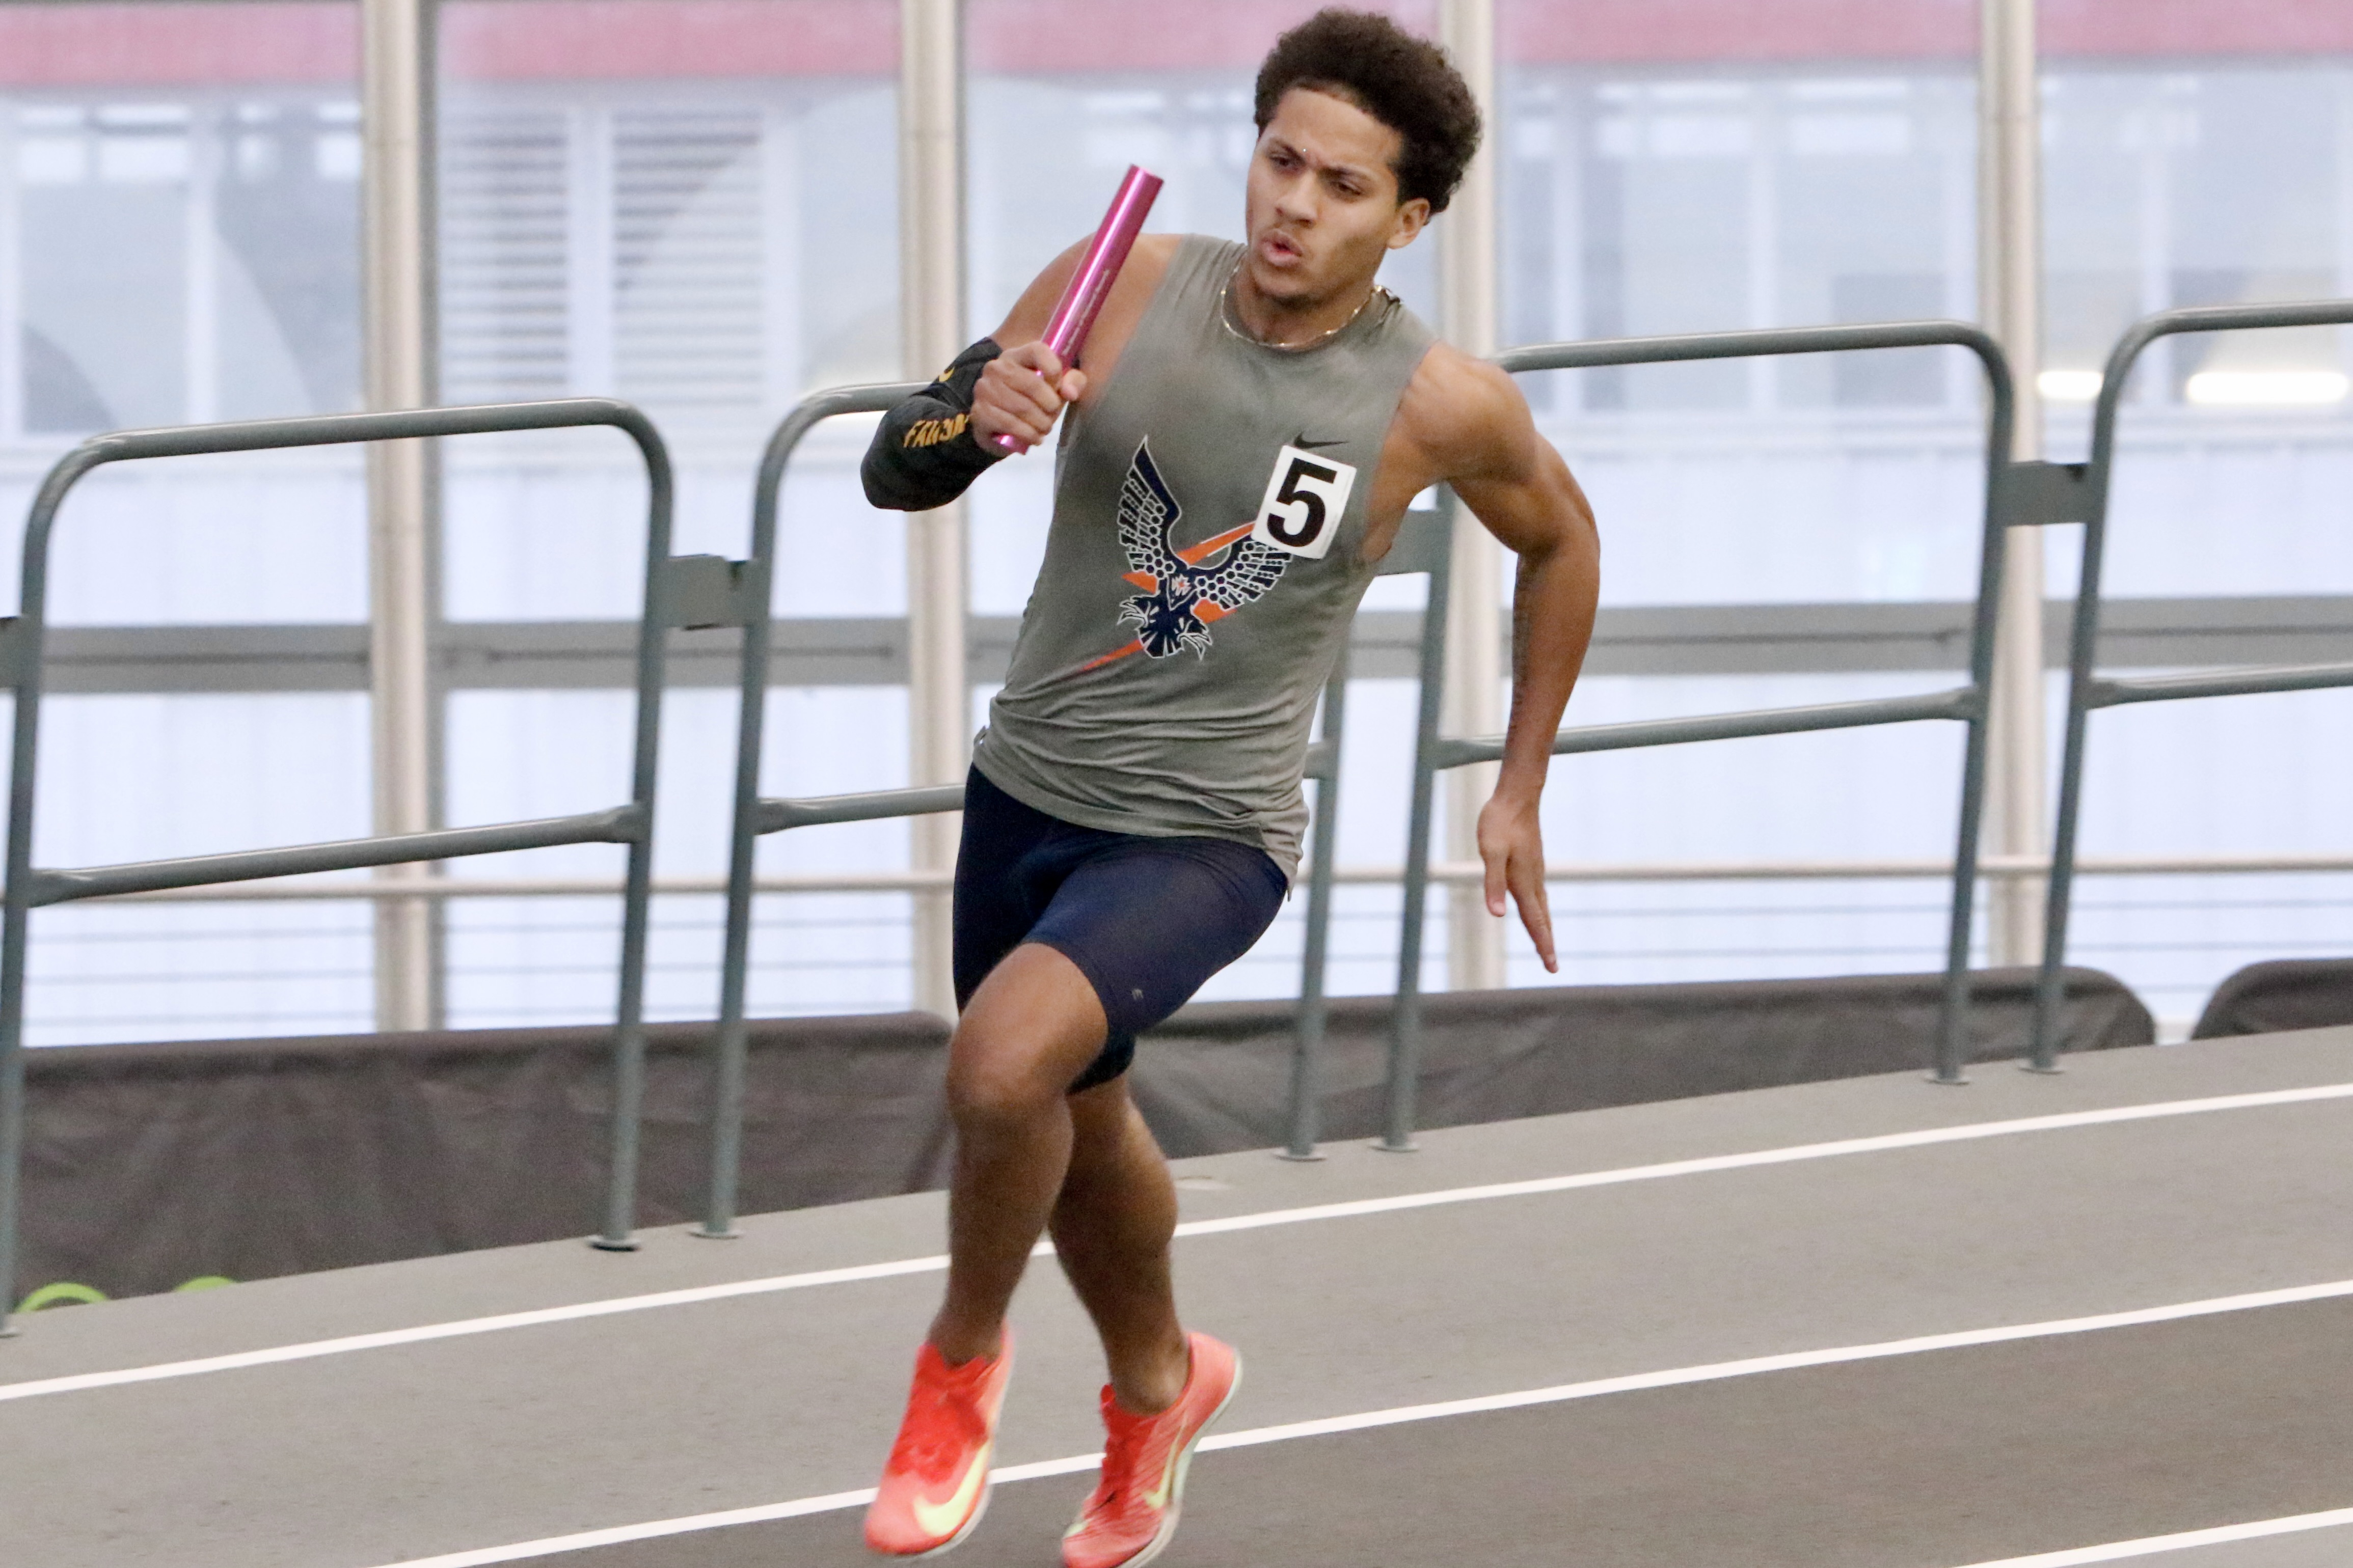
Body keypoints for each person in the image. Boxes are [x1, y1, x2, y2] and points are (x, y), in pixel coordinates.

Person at [855, 9, 1599, 1564]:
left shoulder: (1434, 404)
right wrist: (969, 417)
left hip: (1205, 833)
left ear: (1405, 222)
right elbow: (898, 460)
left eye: (1340, 187)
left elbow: (1561, 543)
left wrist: (1519, 785)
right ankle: (1158, 1384)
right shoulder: (1116, 278)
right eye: (1279, 161)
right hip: (1026, 793)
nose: (1292, 205)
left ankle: (960, 1371)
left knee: (1004, 1073)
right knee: (1076, 1105)